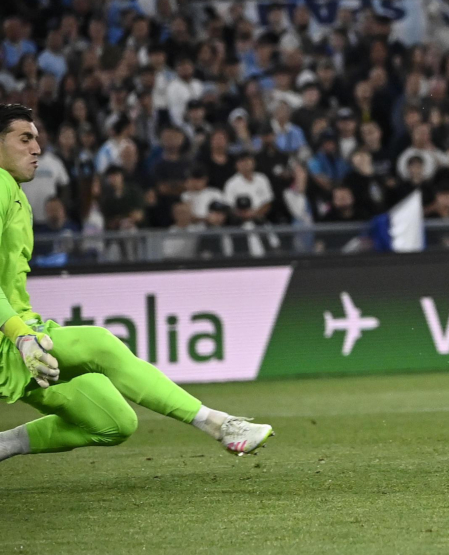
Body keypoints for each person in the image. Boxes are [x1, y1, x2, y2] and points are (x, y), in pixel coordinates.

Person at [0, 104, 274, 463]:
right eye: (25, 139)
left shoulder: (17, 194)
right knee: (100, 344)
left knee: (114, 422)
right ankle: (220, 425)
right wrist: (20, 335)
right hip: (12, 338)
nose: (37, 148)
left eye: (37, 139)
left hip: (26, 337)